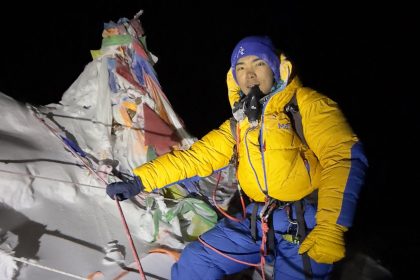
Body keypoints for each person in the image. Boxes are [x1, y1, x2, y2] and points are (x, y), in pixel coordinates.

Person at [106, 35, 368, 279]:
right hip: (260, 220)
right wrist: (139, 181)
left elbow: (344, 158)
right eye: (240, 67)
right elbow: (196, 158)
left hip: (308, 225)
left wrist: (331, 227)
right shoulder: (241, 124)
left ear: (276, 68)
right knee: (197, 261)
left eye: (259, 63)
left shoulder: (306, 105)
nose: (249, 73)